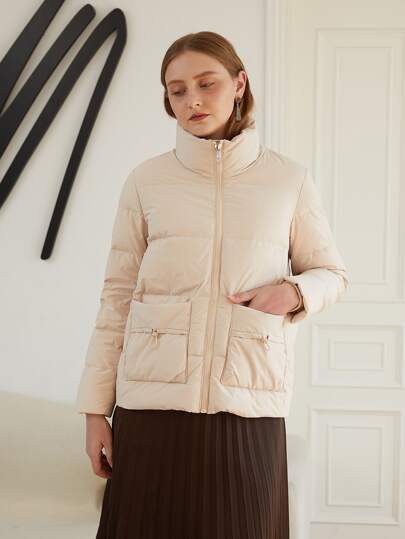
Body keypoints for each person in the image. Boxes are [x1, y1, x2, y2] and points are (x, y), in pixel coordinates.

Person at [75, 31, 349, 539]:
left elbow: (332, 274)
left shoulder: (288, 180)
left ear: (239, 84)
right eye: (177, 90)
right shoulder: (146, 181)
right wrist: (95, 412)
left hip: (247, 406)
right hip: (150, 409)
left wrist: (293, 293)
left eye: (207, 84)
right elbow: (116, 299)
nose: (192, 100)